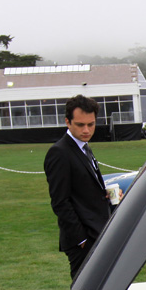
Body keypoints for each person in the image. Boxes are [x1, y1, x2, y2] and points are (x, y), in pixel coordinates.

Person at [44, 94, 113, 280]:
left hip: (98, 232)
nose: (86, 130)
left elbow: (83, 188)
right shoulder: (59, 153)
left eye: (91, 124)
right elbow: (60, 202)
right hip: (83, 241)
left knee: (102, 288)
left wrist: (105, 194)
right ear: (68, 122)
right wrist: (81, 240)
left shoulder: (84, 147)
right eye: (80, 125)